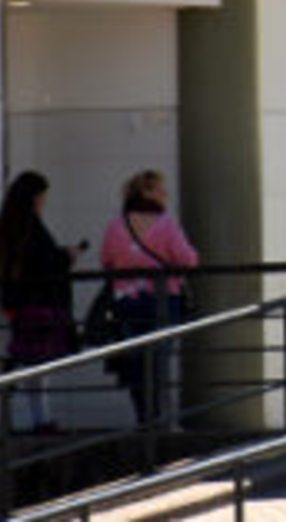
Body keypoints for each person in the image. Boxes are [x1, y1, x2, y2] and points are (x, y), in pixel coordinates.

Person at [0, 170, 85, 433]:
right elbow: (44, 263)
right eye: (43, 196)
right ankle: (39, 419)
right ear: (35, 197)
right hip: (40, 303)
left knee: (32, 362)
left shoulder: (11, 224)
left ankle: (34, 415)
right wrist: (67, 257)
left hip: (21, 304)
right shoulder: (30, 226)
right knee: (38, 364)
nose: (44, 202)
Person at [100, 169, 200, 425]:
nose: (165, 194)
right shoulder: (166, 224)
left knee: (135, 361)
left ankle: (144, 418)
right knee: (159, 361)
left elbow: (106, 261)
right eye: (160, 189)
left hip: (127, 302)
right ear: (146, 192)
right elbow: (188, 260)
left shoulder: (117, 225)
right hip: (163, 300)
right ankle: (161, 418)